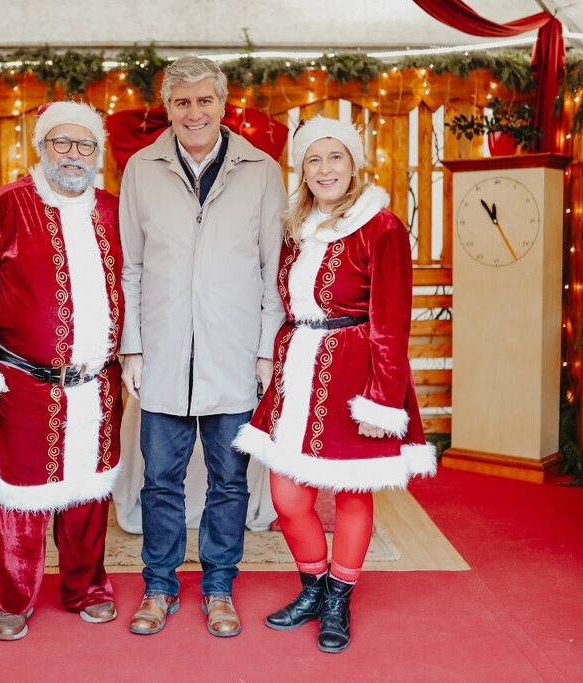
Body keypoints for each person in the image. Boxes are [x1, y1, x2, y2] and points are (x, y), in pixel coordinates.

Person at [233, 116, 437, 653]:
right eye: (313, 159)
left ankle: (339, 600)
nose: (324, 169)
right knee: (288, 497)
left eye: (335, 157)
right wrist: (269, 359)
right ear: (301, 168)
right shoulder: (295, 225)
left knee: (350, 495)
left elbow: (391, 321)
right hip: (298, 364)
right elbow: (282, 302)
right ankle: (314, 587)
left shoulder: (382, 226)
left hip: (355, 369)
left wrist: (383, 398)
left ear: (354, 163)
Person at [119, 55, 286, 638]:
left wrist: (266, 352)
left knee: (230, 482)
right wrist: (132, 350)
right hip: (161, 353)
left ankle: (219, 587)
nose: (194, 112)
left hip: (234, 354)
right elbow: (131, 269)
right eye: (182, 102)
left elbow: (273, 270)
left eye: (204, 101)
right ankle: (159, 587)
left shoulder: (262, 171)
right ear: (168, 108)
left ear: (223, 103)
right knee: (159, 480)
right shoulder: (140, 169)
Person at [0, 101, 124, 641]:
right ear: (42, 147)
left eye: (85, 145)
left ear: (97, 154)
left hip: (97, 385)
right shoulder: (5, 206)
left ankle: (86, 588)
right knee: (19, 502)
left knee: (87, 499)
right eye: (62, 143)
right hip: (23, 384)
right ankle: (14, 598)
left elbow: (138, 287)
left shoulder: (115, 212)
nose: (73, 155)